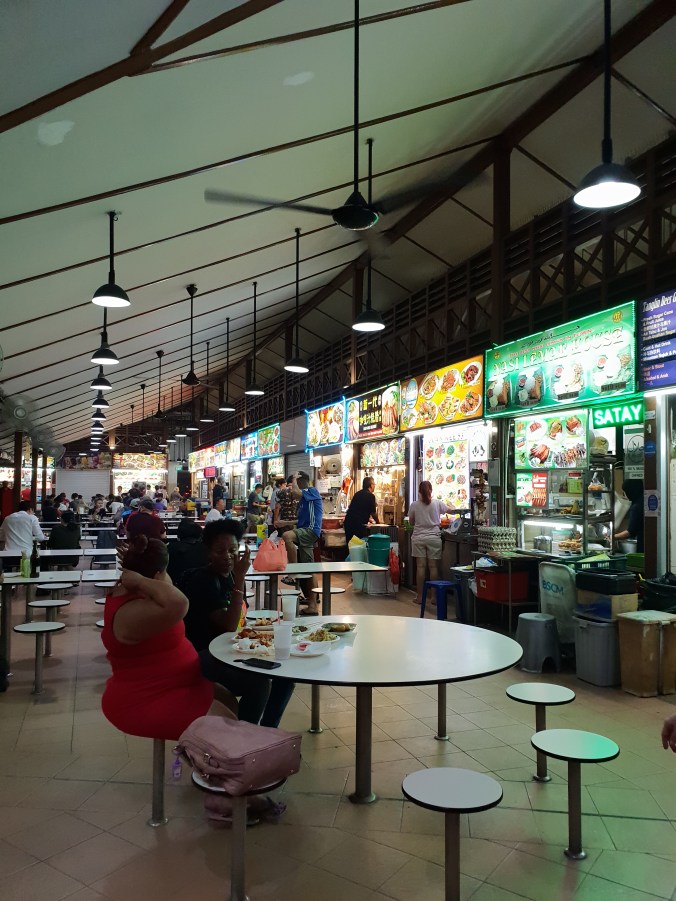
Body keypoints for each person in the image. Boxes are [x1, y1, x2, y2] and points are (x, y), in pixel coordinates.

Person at [101, 535, 235, 741]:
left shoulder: (150, 594)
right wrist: (141, 580)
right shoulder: (131, 611)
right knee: (227, 724)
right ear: (157, 575)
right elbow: (180, 602)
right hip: (146, 698)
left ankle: (236, 756)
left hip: (180, 681)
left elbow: (169, 587)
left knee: (230, 701)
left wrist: (138, 572)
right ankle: (220, 763)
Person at [181, 519, 294, 727]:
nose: (227, 556)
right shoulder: (203, 580)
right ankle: (243, 734)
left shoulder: (228, 576)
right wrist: (241, 578)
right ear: (208, 552)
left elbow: (237, 626)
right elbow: (229, 624)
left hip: (230, 649)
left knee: (286, 675)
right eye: (219, 550)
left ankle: (268, 729)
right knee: (258, 683)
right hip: (205, 656)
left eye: (232, 549)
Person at [408, 480, 455, 607]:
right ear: (431, 490)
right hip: (434, 538)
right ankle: (434, 597)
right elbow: (452, 511)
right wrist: (453, 506)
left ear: (419, 491)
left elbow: (411, 522)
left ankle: (420, 597)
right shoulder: (437, 503)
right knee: (433, 567)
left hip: (418, 538)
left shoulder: (414, 505)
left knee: (421, 567)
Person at [283, 472, 323, 615]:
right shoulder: (304, 500)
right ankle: (312, 605)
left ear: (299, 482)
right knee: (309, 569)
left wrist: (293, 477)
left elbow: (295, 491)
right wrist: (285, 522)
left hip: (311, 531)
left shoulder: (312, 491)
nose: (290, 490)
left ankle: (293, 572)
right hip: (306, 530)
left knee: (287, 536)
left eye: (292, 484)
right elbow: (300, 522)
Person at [167, 519, 208, 584]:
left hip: (175, 588)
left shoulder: (169, 549)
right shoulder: (207, 550)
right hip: (202, 587)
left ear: (178, 534)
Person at [344, 476, 377, 544]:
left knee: (351, 546)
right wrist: (379, 524)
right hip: (357, 526)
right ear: (371, 485)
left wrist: (367, 519)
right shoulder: (371, 496)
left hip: (348, 523)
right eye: (374, 484)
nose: (374, 486)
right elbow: (373, 513)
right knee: (358, 546)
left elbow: (357, 509)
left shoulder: (357, 494)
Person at [615, 479, 644, 553]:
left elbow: (631, 532)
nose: (624, 494)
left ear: (630, 491)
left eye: (625, 491)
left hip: (643, 545)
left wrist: (613, 537)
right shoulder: (644, 500)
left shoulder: (636, 507)